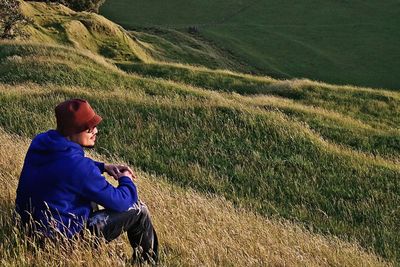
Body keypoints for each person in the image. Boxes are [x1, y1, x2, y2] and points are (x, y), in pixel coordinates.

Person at [15, 98, 158, 263]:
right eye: (90, 128)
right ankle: (147, 263)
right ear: (73, 130)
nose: (96, 131)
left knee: (87, 197)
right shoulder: (78, 167)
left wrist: (103, 166)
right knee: (138, 209)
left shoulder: (41, 141)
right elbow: (122, 202)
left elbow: (62, 166)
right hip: (60, 244)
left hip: (27, 230)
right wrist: (126, 180)